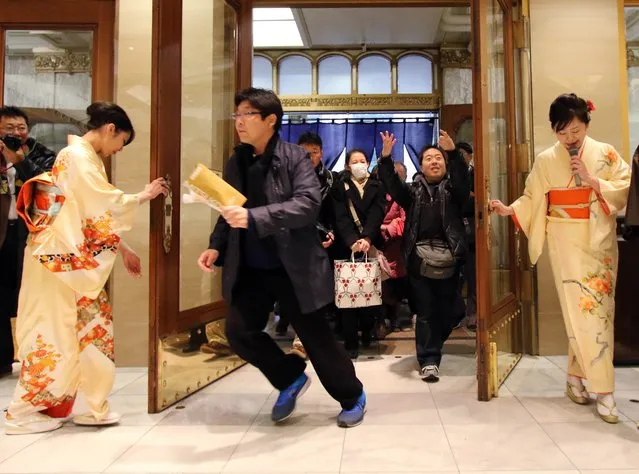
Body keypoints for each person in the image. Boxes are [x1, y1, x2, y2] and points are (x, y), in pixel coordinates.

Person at [197, 88, 366, 428]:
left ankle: (352, 395)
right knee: (239, 332)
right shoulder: (238, 160)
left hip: (294, 265)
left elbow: (306, 204)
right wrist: (217, 244)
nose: (239, 122)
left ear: (270, 120)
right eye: (237, 115)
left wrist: (255, 217)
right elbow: (227, 209)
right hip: (251, 265)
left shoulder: (294, 158)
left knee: (317, 340)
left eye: (247, 114)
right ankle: (290, 377)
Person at [4, 102, 168, 435]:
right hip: (58, 260)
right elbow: (101, 206)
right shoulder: (77, 158)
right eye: (121, 141)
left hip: (67, 258)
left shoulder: (79, 158)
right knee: (52, 330)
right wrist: (143, 195)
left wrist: (123, 248)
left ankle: (91, 405)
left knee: (88, 330)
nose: (119, 149)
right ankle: (25, 409)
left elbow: (88, 216)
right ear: (110, 129)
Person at [490, 93, 630, 424]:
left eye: (576, 131)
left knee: (598, 312)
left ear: (586, 124)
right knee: (582, 312)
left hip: (599, 240)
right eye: (563, 132)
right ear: (554, 131)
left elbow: (623, 186)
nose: (570, 139)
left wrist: (594, 180)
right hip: (565, 240)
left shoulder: (606, 153)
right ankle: (604, 390)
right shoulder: (545, 160)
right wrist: (511, 210)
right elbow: (532, 197)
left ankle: (574, 378)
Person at [377, 130, 470, 382]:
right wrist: (386, 157)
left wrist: (453, 152)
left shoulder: (454, 191)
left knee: (454, 310)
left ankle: (433, 342)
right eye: (429, 158)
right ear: (421, 165)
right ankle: (429, 359)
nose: (434, 161)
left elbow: (464, 182)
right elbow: (391, 184)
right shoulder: (412, 192)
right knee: (427, 311)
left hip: (450, 257)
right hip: (419, 259)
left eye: (439, 158)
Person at [0, 106, 56, 377]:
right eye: (9, 129)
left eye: (21, 128)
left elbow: (50, 187)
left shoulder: (40, 153)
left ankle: (33, 360)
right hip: (1, 234)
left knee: (27, 296)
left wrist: (20, 160)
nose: (16, 133)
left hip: (28, 235)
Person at [276, 131, 337, 358]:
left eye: (314, 152)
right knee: (292, 289)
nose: (310, 156)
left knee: (315, 291)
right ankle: (294, 329)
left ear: (321, 153)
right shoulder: (286, 178)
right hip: (291, 238)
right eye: (305, 152)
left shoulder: (330, 179)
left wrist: (331, 232)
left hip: (322, 240)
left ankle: (304, 339)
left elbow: (334, 211)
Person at [332, 148, 386, 359]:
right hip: (348, 246)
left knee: (369, 290)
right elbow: (340, 216)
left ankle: (367, 332)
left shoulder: (377, 185)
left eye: (362, 160)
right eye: (355, 161)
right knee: (349, 295)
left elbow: (377, 212)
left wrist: (367, 238)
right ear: (347, 166)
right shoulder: (339, 186)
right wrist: (352, 241)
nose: (359, 164)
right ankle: (351, 341)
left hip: (370, 244)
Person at [380, 161, 409, 334]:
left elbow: (406, 220)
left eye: (400, 174)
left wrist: (388, 227)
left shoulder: (406, 194)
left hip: (397, 247)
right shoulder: (377, 192)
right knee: (379, 284)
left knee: (396, 284)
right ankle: (380, 321)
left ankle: (394, 318)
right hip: (377, 244)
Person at [457, 141, 477, 330]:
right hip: (454, 229)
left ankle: (473, 312)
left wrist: (470, 195)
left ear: (470, 156)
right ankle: (455, 313)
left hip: (472, 229)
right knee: (455, 275)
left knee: (472, 274)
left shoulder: (476, 174)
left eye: (463, 154)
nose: (461, 158)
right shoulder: (450, 174)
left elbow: (479, 196)